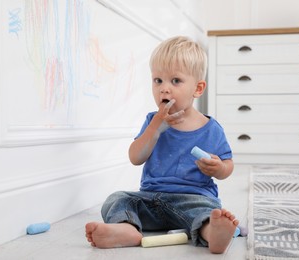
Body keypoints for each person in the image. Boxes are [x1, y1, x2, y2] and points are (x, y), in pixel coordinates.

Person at [85, 36, 239, 254]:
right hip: (151, 199)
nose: (164, 89)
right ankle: (126, 228)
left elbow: (228, 165)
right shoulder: (152, 121)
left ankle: (212, 232)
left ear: (198, 88)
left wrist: (220, 168)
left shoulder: (211, 128)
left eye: (175, 81)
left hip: (192, 199)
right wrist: (155, 128)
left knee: (207, 211)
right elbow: (135, 157)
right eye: (158, 80)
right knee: (117, 199)